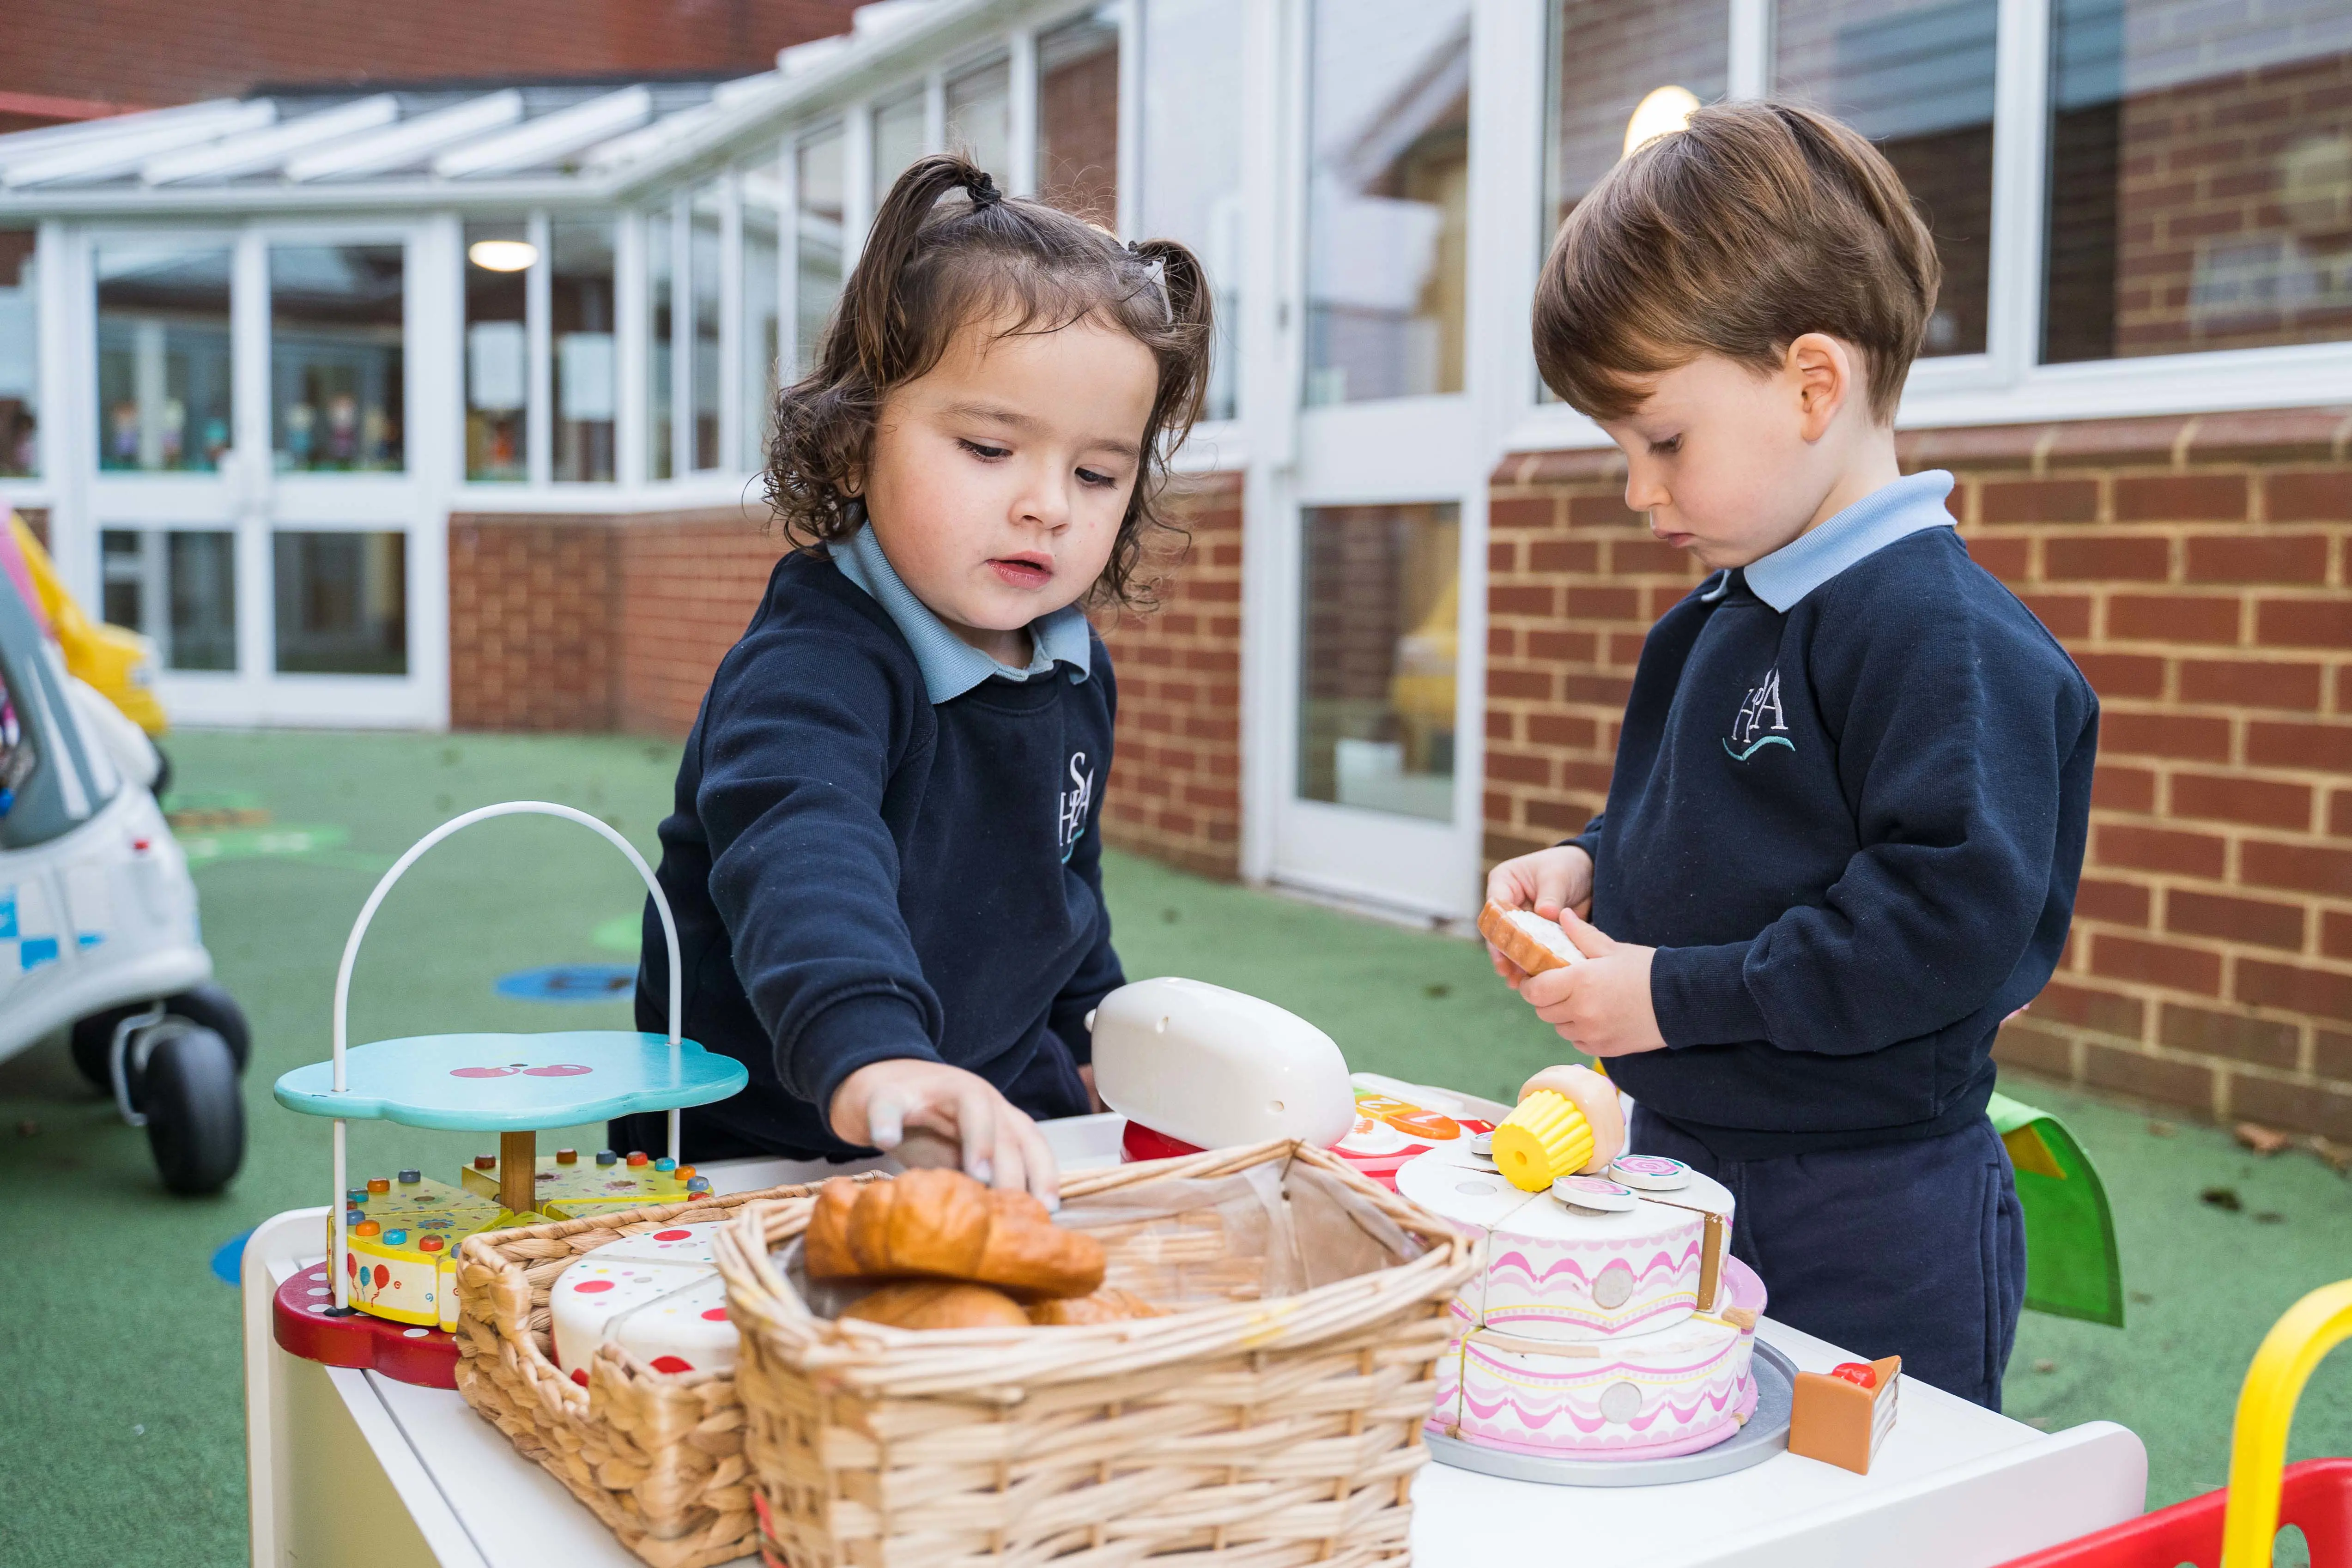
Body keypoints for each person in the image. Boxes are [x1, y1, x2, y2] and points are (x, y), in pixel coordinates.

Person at [1483, 102, 2097, 1409]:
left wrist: (1668, 998)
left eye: (1661, 441)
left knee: (1876, 1499)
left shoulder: (1939, 634)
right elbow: (1707, 828)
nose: (1638, 490)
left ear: (1812, 384)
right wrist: (1586, 868)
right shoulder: (1715, 618)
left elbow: (1939, 926)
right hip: (1688, 1163)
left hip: (1871, 1204)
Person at [610, 155, 1212, 1204]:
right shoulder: (812, 667)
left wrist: (1100, 1046)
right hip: (772, 1141)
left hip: (987, 1111)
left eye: (1095, 472)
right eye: (988, 446)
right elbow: (802, 854)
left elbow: (1061, 894)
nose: (1046, 505)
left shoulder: (1070, 667)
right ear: (852, 446)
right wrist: (873, 1052)